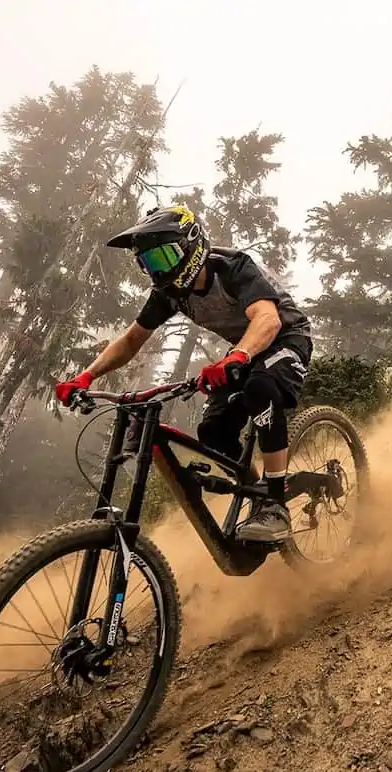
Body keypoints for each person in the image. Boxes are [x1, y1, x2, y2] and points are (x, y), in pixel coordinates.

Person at [54, 205, 312, 543]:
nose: (156, 271)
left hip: (286, 338)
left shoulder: (233, 268)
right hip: (243, 352)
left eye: (162, 258)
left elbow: (268, 319)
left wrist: (235, 357)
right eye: (148, 264)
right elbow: (132, 340)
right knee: (213, 432)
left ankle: (276, 505)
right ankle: (257, 494)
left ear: (191, 245)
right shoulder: (169, 294)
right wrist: (85, 376)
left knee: (261, 387)